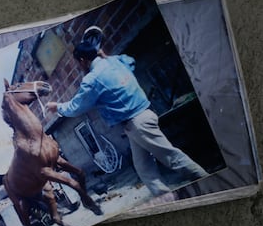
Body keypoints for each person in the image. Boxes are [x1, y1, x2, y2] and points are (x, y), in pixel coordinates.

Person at [46, 41, 209, 198]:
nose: (79, 66)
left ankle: (210, 182)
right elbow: (131, 62)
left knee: (172, 158)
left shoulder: (92, 79)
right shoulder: (115, 61)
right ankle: (166, 197)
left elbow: (76, 107)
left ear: (82, 60)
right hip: (144, 116)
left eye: (78, 63)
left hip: (137, 123)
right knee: (143, 166)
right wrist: (107, 57)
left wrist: (57, 107)